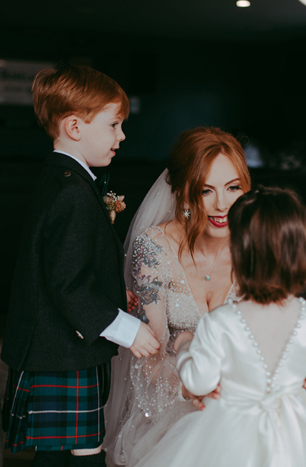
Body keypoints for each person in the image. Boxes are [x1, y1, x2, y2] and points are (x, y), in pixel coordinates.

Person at [131, 186, 306, 467]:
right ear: (304, 252)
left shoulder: (218, 323)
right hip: (294, 434)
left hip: (227, 429)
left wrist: (184, 346)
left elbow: (198, 382)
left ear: (238, 256)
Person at [0, 63, 160, 467]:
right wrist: (129, 330)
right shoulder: (72, 192)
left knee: (58, 452)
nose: (121, 136)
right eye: (114, 124)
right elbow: (67, 285)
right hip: (62, 352)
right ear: (74, 127)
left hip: (59, 346)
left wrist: (111, 292)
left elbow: (65, 264)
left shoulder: (63, 179)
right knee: (83, 451)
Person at [103, 127, 252, 466]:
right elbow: (148, 356)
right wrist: (192, 387)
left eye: (233, 188)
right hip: (172, 396)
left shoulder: (256, 247)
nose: (222, 204)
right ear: (184, 192)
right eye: (206, 190)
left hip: (242, 396)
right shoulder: (154, 249)